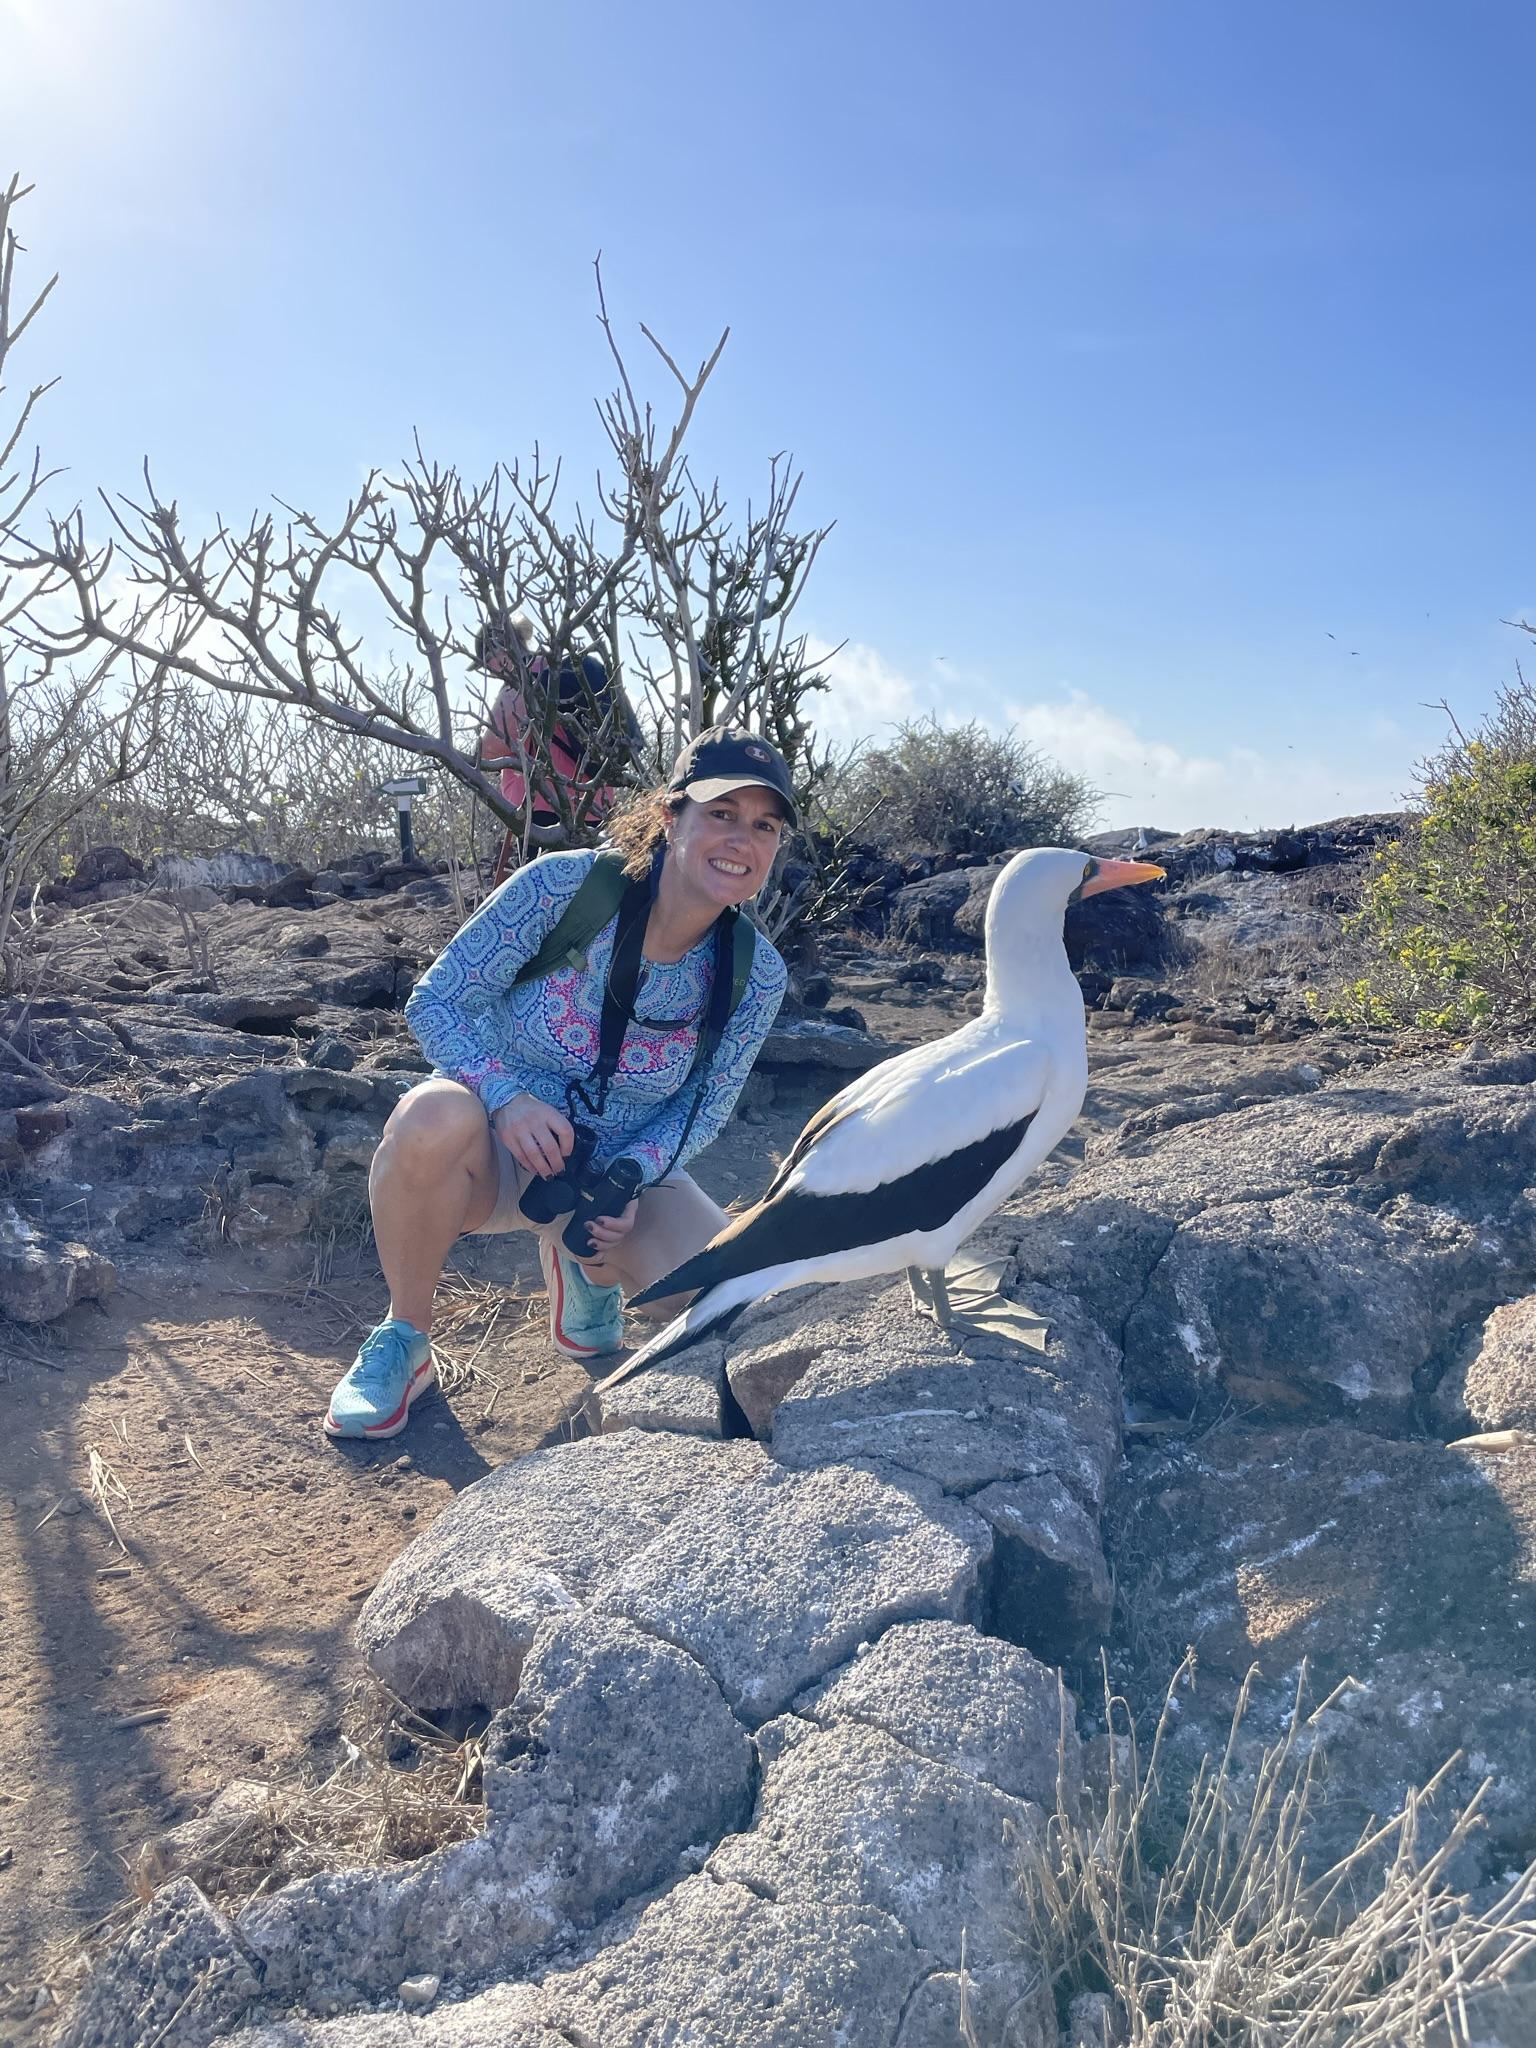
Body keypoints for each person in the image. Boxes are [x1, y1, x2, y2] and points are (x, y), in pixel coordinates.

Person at [324, 725, 795, 1440]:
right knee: (429, 1118)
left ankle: (586, 1275)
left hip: (615, 1177)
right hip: (498, 1149)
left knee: (727, 1295)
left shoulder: (755, 973)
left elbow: (707, 1107)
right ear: (672, 817)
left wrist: (634, 1175)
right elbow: (438, 999)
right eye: (721, 814)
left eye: (764, 826)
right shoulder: (565, 886)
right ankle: (404, 1339)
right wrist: (506, 1098)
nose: (741, 841)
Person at [476, 617, 641, 881]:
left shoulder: (522, 682)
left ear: (498, 651)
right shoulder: (568, 672)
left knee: (542, 892)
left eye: (487, 660)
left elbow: (490, 747)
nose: (489, 669)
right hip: (596, 802)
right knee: (590, 889)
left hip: (543, 806)